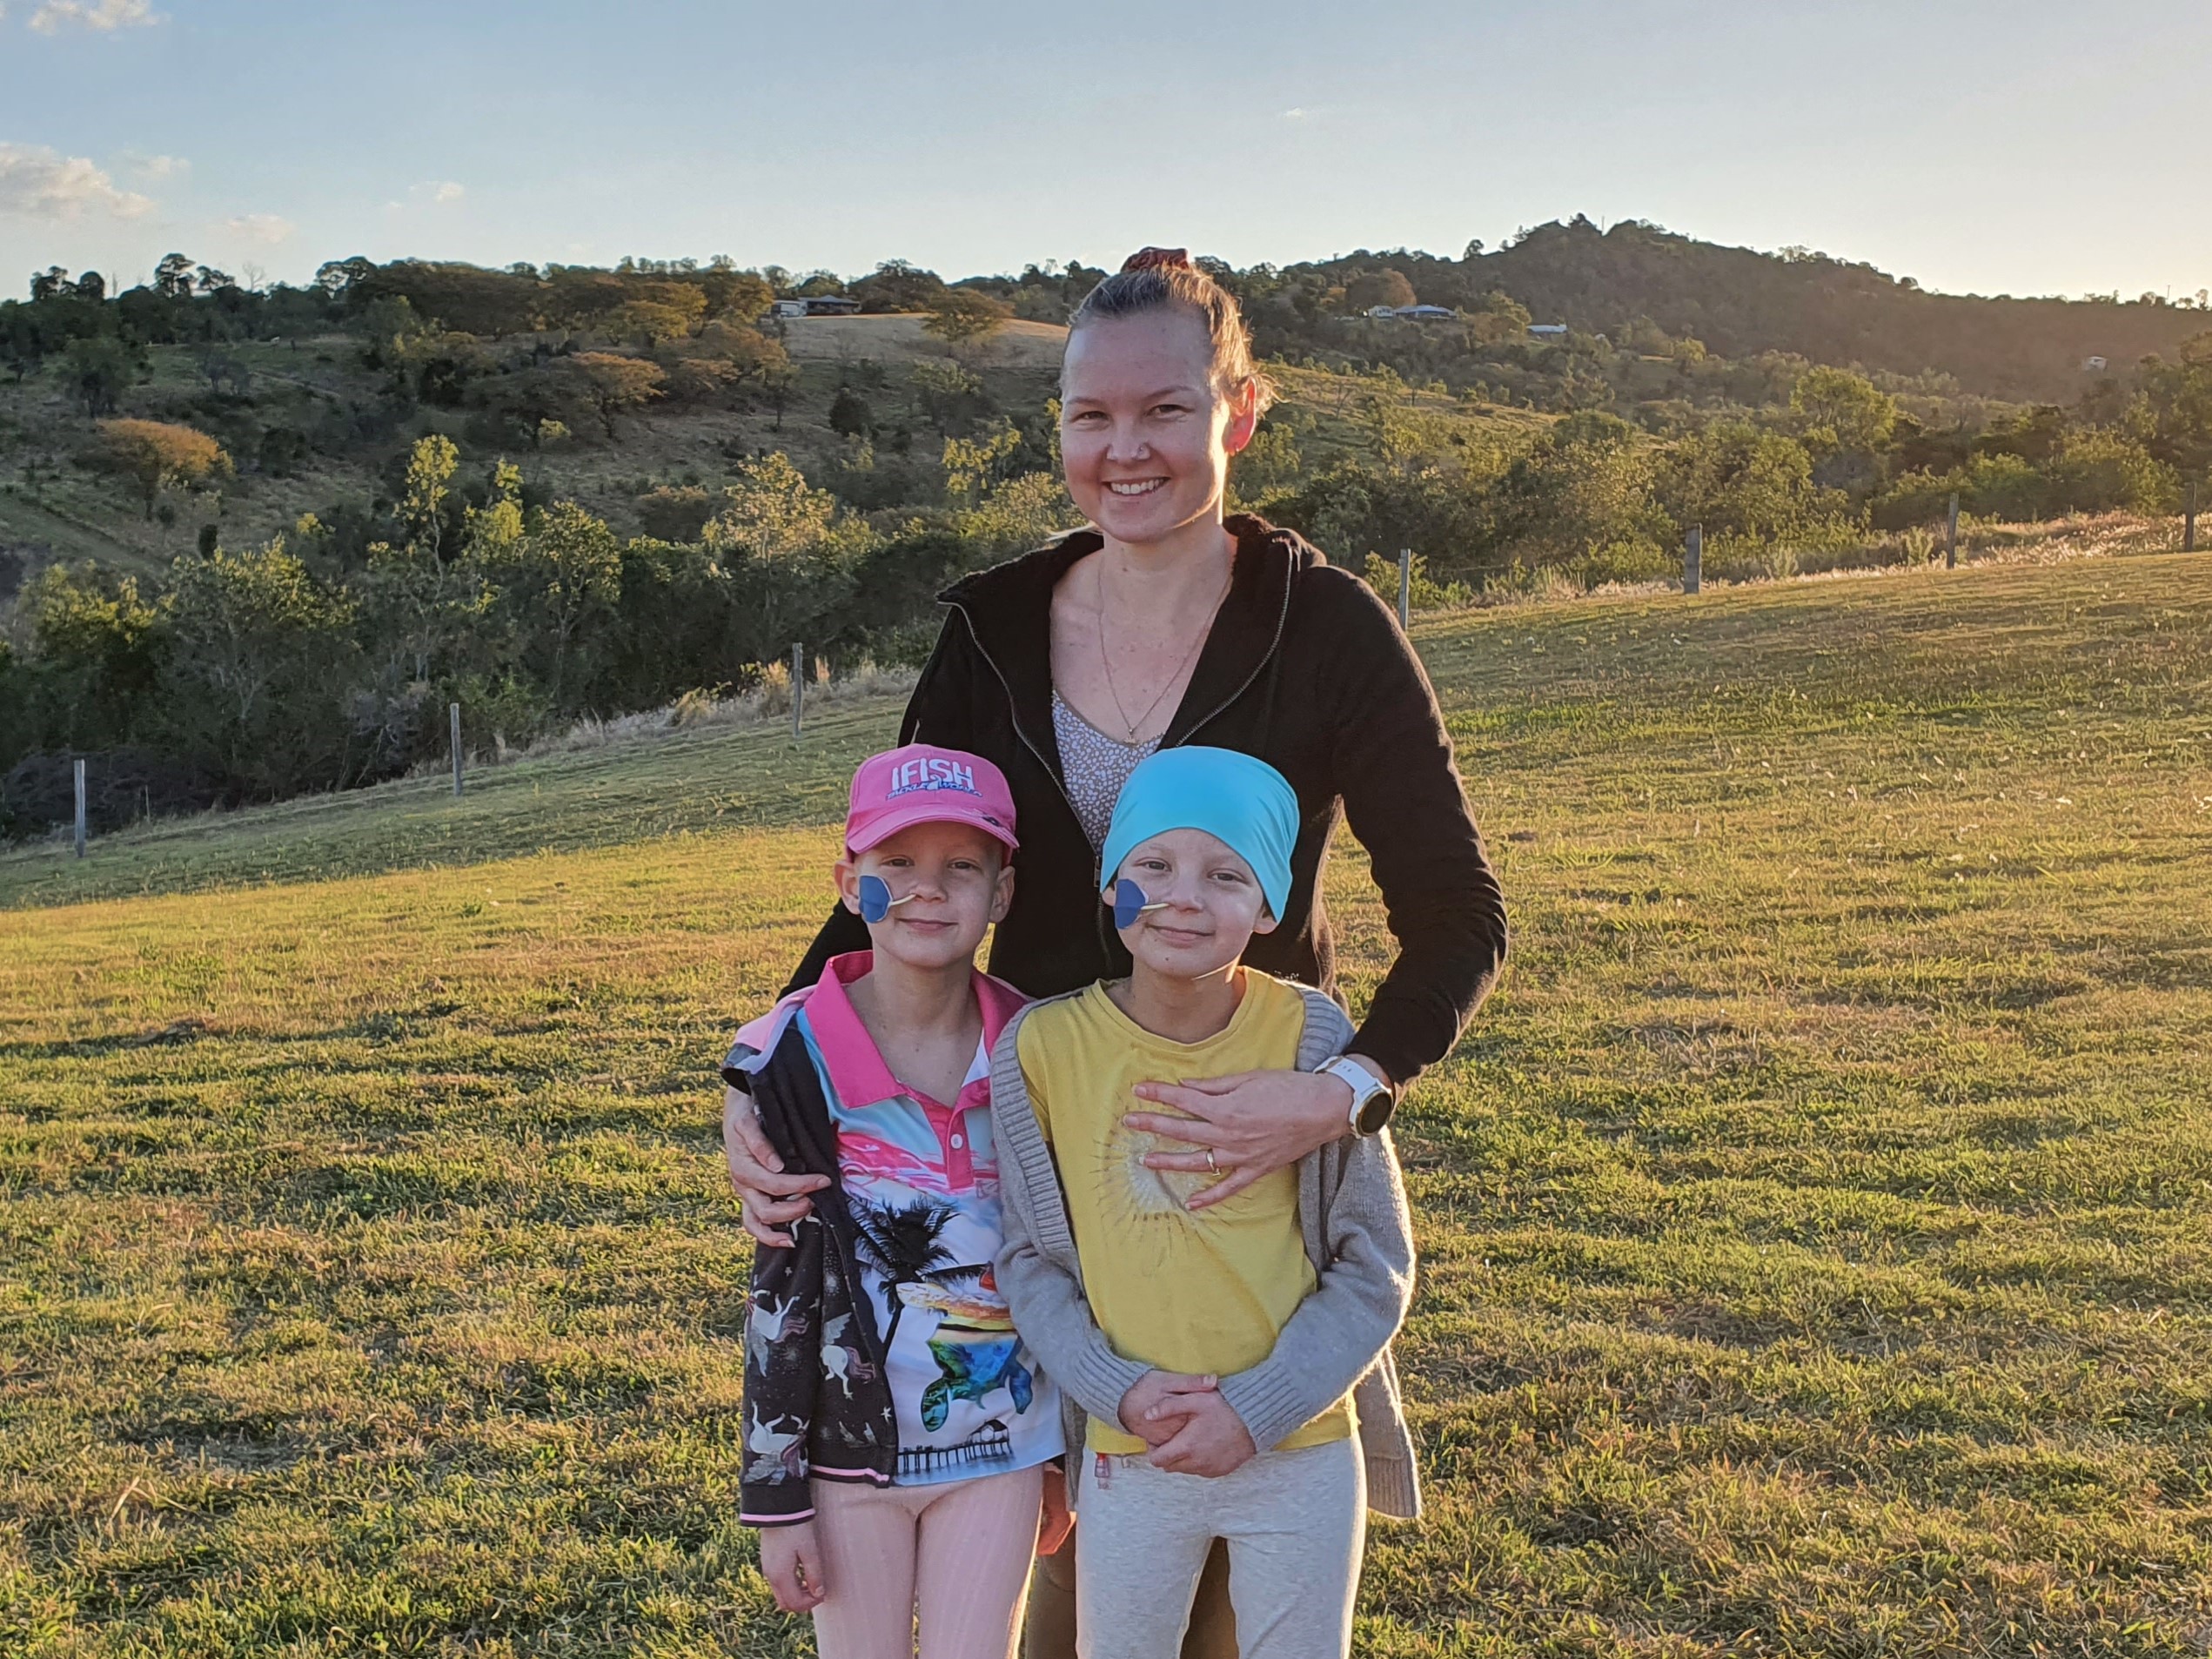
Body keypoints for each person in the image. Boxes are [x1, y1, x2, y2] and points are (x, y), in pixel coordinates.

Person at [726, 247, 1506, 1657]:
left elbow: (1458, 913)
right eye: (1090, 416)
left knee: (1218, 1558)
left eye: (1163, 411)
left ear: (1240, 411)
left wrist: (1335, 1094)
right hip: (1020, 1155)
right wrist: (768, 1073)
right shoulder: (993, 626)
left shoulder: (1324, 627)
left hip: (1231, 1154)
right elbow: (898, 881)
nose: (1123, 449)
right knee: (1052, 1571)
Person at [989, 746, 1418, 1659]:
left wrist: (1260, 1408)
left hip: (1302, 1447)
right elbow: (1027, 1260)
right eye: (1152, 865)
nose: (1183, 897)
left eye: (1227, 874)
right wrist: (1117, 1390)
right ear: (1111, 885)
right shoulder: (1039, 1048)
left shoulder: (1312, 1035)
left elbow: (1373, 1263)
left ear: (1269, 908)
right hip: (1133, 1447)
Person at [729, 743, 1070, 1659]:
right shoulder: (791, 1057)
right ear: (849, 883)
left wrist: (1064, 1448)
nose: (928, 888)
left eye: (962, 866)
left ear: (1002, 893)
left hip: (1000, 1453)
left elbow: (1069, 1254)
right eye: (898, 862)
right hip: (845, 1467)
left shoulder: (1042, 1046)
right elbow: (780, 1284)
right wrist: (775, 1491)